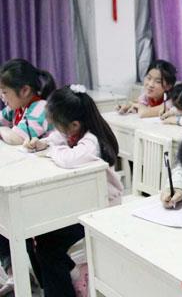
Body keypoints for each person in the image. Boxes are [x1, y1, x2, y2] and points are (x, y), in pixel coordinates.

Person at [0, 85, 123, 297]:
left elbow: (68, 159)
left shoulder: (91, 140)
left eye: (57, 124)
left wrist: (50, 150)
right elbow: (53, 139)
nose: (56, 129)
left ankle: (63, 285)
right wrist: (41, 143)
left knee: (47, 245)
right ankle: (65, 279)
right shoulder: (71, 132)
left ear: (74, 125)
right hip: (76, 202)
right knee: (38, 237)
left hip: (100, 207)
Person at [0, 58, 55, 145]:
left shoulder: (40, 108)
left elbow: (16, 139)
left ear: (25, 91)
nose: (1, 96)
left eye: (4, 92)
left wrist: (2, 129)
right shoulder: (16, 107)